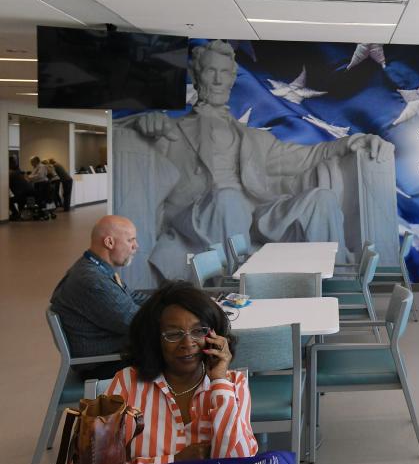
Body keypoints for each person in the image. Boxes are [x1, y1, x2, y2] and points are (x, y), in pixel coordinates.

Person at [117, 39, 394, 285]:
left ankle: (333, 284)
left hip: (251, 213)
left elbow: (302, 157)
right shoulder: (172, 131)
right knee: (228, 199)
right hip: (198, 216)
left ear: (231, 79)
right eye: (210, 71)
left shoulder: (251, 138)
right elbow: (122, 131)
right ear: (196, 75)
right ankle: (236, 293)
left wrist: (348, 142)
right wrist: (144, 123)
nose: (217, 79)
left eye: (224, 72)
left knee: (320, 199)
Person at [92, 282, 257, 464]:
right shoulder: (127, 384)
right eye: (173, 334)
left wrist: (219, 382)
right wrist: (174, 463)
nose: (187, 344)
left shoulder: (232, 384)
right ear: (154, 340)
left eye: (199, 331)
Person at [50, 215, 145, 378]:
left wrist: (169, 299)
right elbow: (136, 323)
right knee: (181, 355)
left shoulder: (96, 268)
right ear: (109, 242)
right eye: (131, 240)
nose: (136, 246)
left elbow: (132, 297)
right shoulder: (92, 281)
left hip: (112, 353)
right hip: (104, 364)